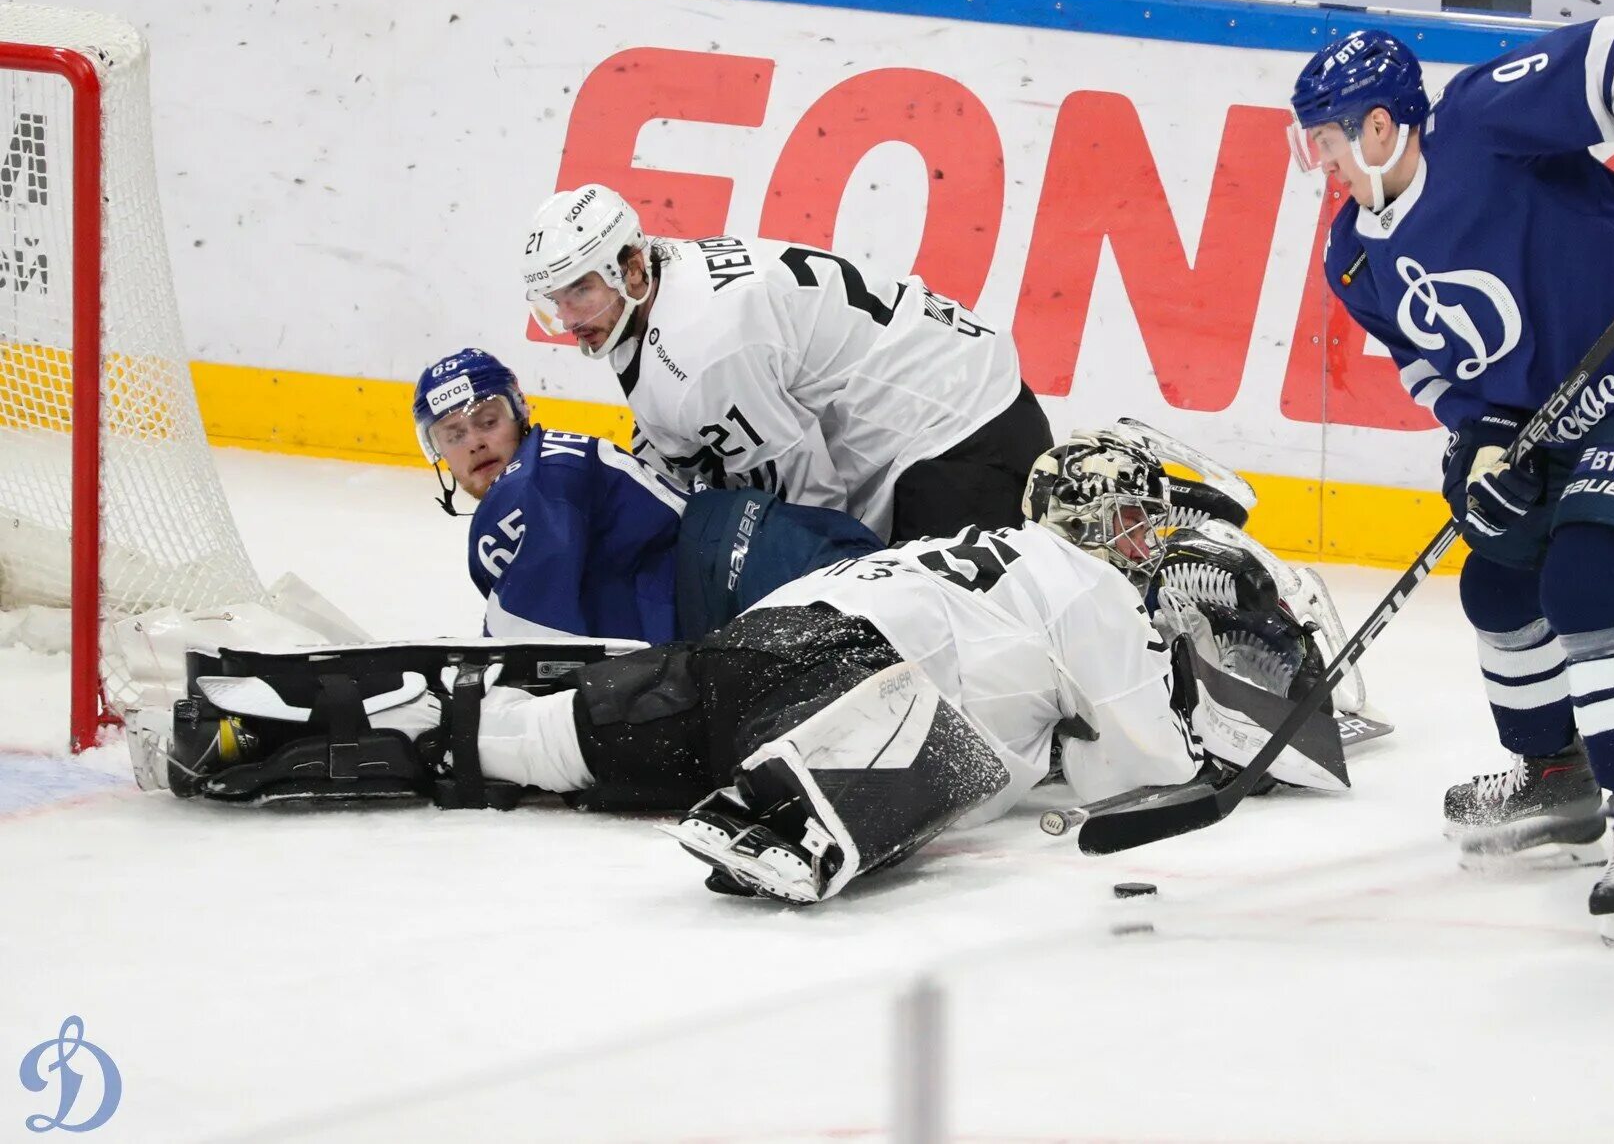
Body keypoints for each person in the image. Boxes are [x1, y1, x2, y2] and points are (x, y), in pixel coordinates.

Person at [143, 433, 1356, 902]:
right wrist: (1200, 730)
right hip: (847, 678)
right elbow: (1136, 776)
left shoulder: (972, 548)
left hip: (747, 649)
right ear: (1104, 528)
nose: (1149, 549)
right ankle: (800, 795)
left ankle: (253, 731)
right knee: (957, 745)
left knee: (539, 745)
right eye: (1139, 526)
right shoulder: (1087, 587)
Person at [1289, 16, 1614, 946]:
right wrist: (1481, 441)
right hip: (1547, 418)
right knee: (1497, 582)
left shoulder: (1481, 120)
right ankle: (1559, 777)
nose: (1324, 163)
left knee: (1586, 582)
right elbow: (1431, 366)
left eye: (1330, 140)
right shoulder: (1354, 254)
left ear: (1380, 127)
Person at [518, 185, 1053, 542]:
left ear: (631, 267)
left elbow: (813, 503)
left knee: (939, 639)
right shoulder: (654, 291)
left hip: (961, 433)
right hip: (956, 397)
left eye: (581, 290)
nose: (567, 317)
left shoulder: (701, 346)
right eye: (556, 300)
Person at [413, 347, 882, 644]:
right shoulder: (553, 463)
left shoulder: (526, 487)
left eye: (487, 421)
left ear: (518, 414)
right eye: (454, 434)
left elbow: (527, 650)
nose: (474, 441)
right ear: (438, 453)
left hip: (750, 584)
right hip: (776, 547)